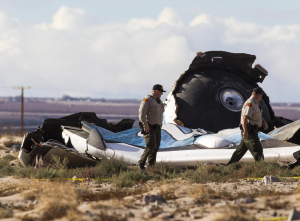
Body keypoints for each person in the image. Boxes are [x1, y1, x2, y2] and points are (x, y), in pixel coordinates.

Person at [227, 87, 268, 165]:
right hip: (250, 131)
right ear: (258, 95)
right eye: (261, 96)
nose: (261, 98)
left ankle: (230, 165)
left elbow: (257, 115)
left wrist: (264, 122)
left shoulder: (255, 103)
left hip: (252, 131)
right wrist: (245, 131)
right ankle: (261, 167)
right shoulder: (250, 103)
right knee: (257, 150)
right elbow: (245, 117)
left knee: (240, 150)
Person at [137, 84, 165, 170]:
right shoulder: (147, 99)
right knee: (151, 146)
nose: (161, 94)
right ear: (156, 91)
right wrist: (145, 125)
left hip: (157, 127)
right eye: (160, 92)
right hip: (149, 127)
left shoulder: (159, 101)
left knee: (156, 146)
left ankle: (151, 166)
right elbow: (142, 114)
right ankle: (141, 164)